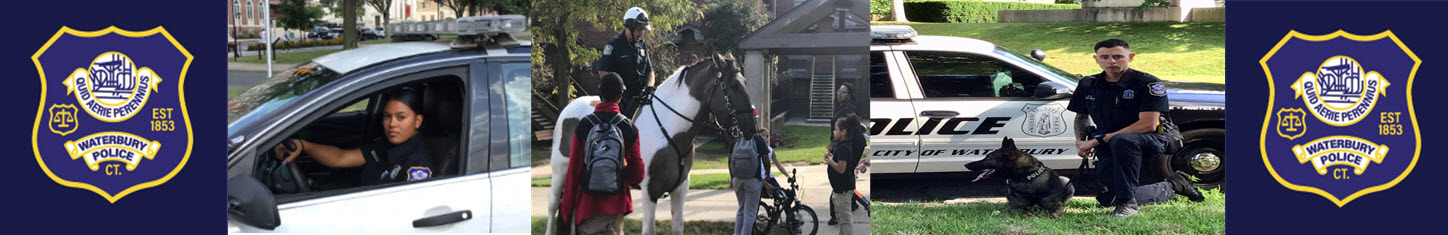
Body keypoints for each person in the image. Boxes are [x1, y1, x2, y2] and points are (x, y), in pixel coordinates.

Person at [1067, 39, 1205, 217]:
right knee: (1110, 197)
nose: (1111, 61)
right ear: (1096, 59)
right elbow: (1081, 116)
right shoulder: (1088, 84)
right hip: (1110, 142)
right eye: (1105, 57)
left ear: (1130, 57)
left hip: (1152, 139)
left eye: (1118, 56)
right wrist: (1081, 142)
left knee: (1123, 140)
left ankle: (1127, 205)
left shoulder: (1147, 83)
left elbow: (1148, 124)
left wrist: (1097, 141)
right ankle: (1174, 185)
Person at [274, 87, 433, 185]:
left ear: (417, 121)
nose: (392, 124)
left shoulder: (418, 165)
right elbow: (341, 158)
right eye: (387, 116)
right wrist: (303, 146)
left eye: (401, 117)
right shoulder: (386, 145)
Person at [560, 73, 645, 235]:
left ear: (600, 94)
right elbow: (637, 174)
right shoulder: (628, 127)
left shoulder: (585, 125)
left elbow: (574, 170)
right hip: (616, 206)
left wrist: (566, 209)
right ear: (620, 96)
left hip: (587, 207)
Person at [597, 7, 656, 119]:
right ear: (630, 27)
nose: (641, 34)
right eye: (639, 30)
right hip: (621, 99)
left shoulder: (642, 46)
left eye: (643, 31)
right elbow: (602, 71)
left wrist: (649, 87)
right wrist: (617, 90)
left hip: (640, 97)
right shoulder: (614, 45)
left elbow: (650, 72)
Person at [825, 115, 863, 235]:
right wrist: (831, 156)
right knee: (842, 219)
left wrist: (830, 162)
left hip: (843, 190)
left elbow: (841, 169)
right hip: (839, 189)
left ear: (843, 132)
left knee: (845, 220)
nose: (833, 131)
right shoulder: (841, 146)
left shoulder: (844, 148)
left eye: (836, 129)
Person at [731, 129, 770, 235]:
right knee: (750, 213)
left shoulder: (736, 137)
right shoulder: (758, 138)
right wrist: (767, 173)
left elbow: (730, 159)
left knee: (741, 210)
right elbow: (766, 159)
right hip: (753, 179)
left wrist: (732, 177)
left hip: (737, 179)